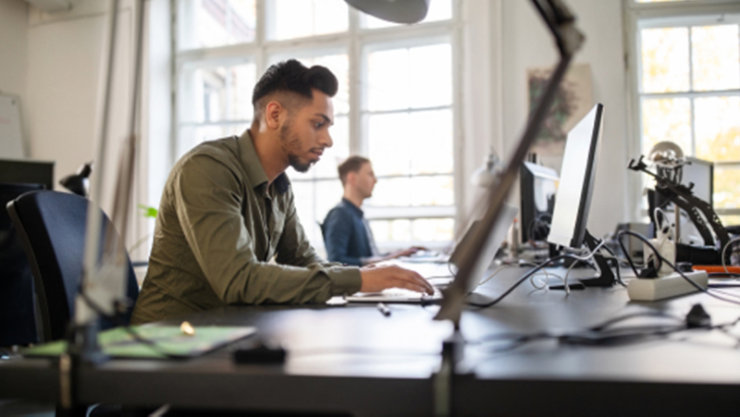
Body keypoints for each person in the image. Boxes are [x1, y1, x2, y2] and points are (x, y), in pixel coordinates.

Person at [131, 60, 433, 324]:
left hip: (222, 330)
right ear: (274, 115)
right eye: (318, 124)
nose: (328, 140)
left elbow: (306, 261)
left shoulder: (279, 186)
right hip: (165, 342)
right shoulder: (208, 169)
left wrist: (376, 276)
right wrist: (358, 279)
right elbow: (240, 280)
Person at [322, 156, 422, 266]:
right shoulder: (340, 215)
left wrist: (398, 254)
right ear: (352, 178)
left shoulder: (357, 215)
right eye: (370, 174)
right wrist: (387, 259)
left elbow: (370, 257)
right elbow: (336, 262)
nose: (375, 180)